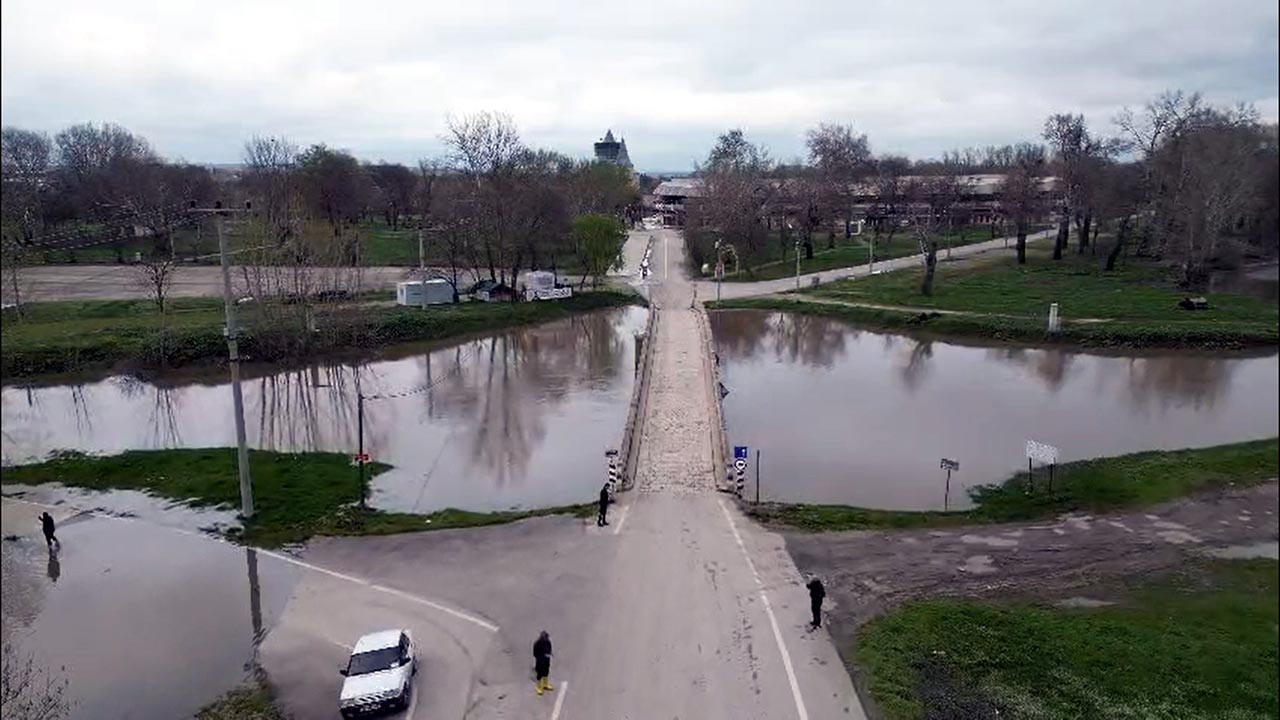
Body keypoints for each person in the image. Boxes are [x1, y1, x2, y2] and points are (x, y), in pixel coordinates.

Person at [533, 631, 554, 696]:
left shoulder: (548, 642)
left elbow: (550, 649)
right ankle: (538, 687)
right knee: (540, 674)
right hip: (540, 660)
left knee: (546, 672)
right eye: (545, 637)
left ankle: (545, 684)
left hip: (546, 660)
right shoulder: (537, 643)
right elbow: (535, 653)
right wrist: (541, 657)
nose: (546, 639)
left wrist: (549, 654)